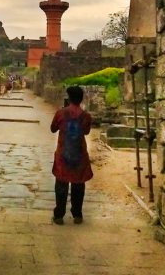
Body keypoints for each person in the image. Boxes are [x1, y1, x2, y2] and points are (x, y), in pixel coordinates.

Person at [50, 85, 93, 225]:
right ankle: (77, 214)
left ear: (68, 98)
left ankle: (59, 215)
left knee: (61, 184)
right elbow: (86, 132)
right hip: (79, 154)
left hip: (63, 154)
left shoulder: (61, 113)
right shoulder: (86, 116)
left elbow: (53, 128)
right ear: (81, 99)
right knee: (78, 184)